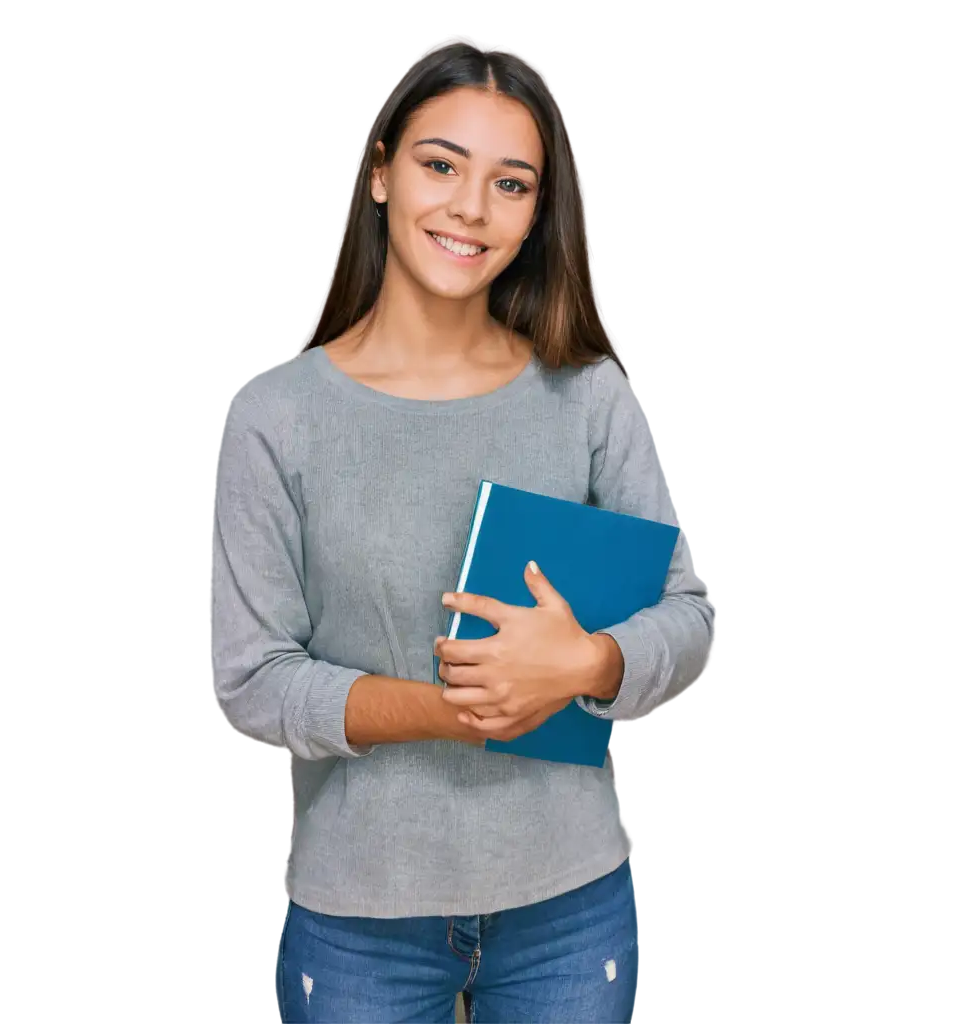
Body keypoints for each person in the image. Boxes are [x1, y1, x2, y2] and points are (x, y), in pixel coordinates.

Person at [211, 39, 716, 1024]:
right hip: (360, 914)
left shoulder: (586, 396)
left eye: (511, 184)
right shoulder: (275, 414)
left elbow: (688, 616)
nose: (471, 208)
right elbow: (252, 679)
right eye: (441, 165)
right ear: (380, 174)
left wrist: (587, 662)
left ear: (535, 216)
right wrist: (459, 707)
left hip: (569, 902)